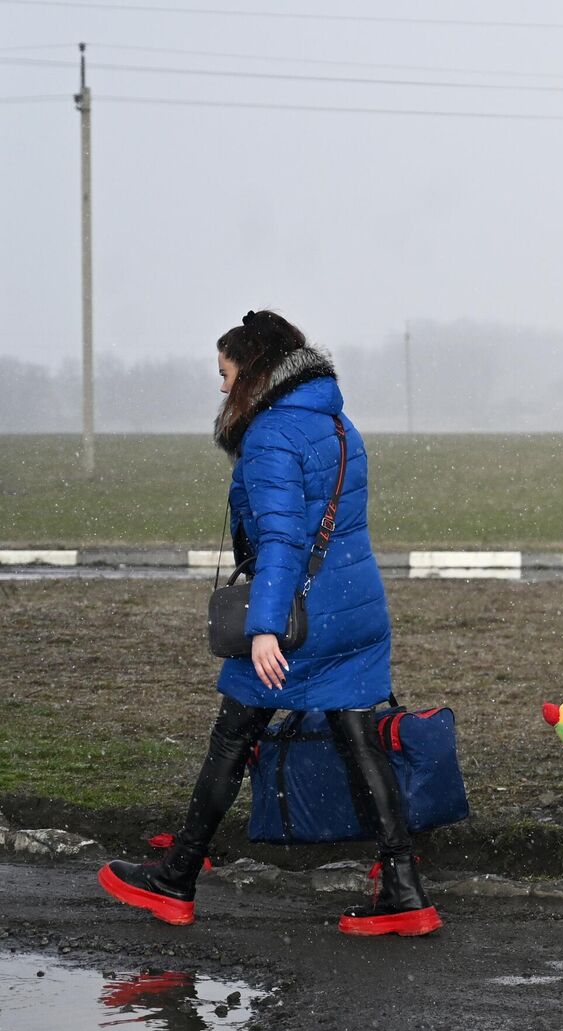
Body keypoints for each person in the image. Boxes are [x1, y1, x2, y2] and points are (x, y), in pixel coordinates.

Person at [97, 311, 440, 936]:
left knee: (232, 736)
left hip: (300, 618)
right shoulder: (338, 425)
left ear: (254, 371)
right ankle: (404, 888)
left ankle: (176, 877)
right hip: (356, 609)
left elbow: (281, 539)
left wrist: (265, 627)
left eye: (226, 373)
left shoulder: (270, 435)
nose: (221, 388)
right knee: (361, 741)